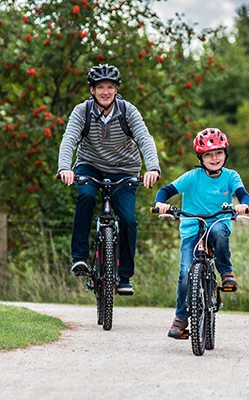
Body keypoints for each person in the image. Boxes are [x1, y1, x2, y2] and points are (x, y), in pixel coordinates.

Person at [57, 64, 160, 295]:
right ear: (92, 90)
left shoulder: (128, 111)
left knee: (128, 219)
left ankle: (124, 277)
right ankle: (80, 256)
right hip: (90, 165)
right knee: (85, 196)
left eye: (110, 87)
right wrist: (64, 167)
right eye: (100, 87)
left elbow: (145, 138)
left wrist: (152, 168)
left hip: (124, 169)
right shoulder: (82, 112)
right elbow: (69, 140)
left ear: (116, 90)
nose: (106, 92)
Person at [154, 128, 249, 339]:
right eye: (208, 154)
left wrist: (243, 205)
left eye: (218, 153)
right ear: (201, 157)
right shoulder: (192, 177)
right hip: (191, 230)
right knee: (185, 272)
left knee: (218, 230)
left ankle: (226, 272)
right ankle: (181, 318)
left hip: (219, 224)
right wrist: (160, 203)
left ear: (225, 154)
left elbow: (244, 195)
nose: (214, 158)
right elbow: (166, 191)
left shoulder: (230, 176)